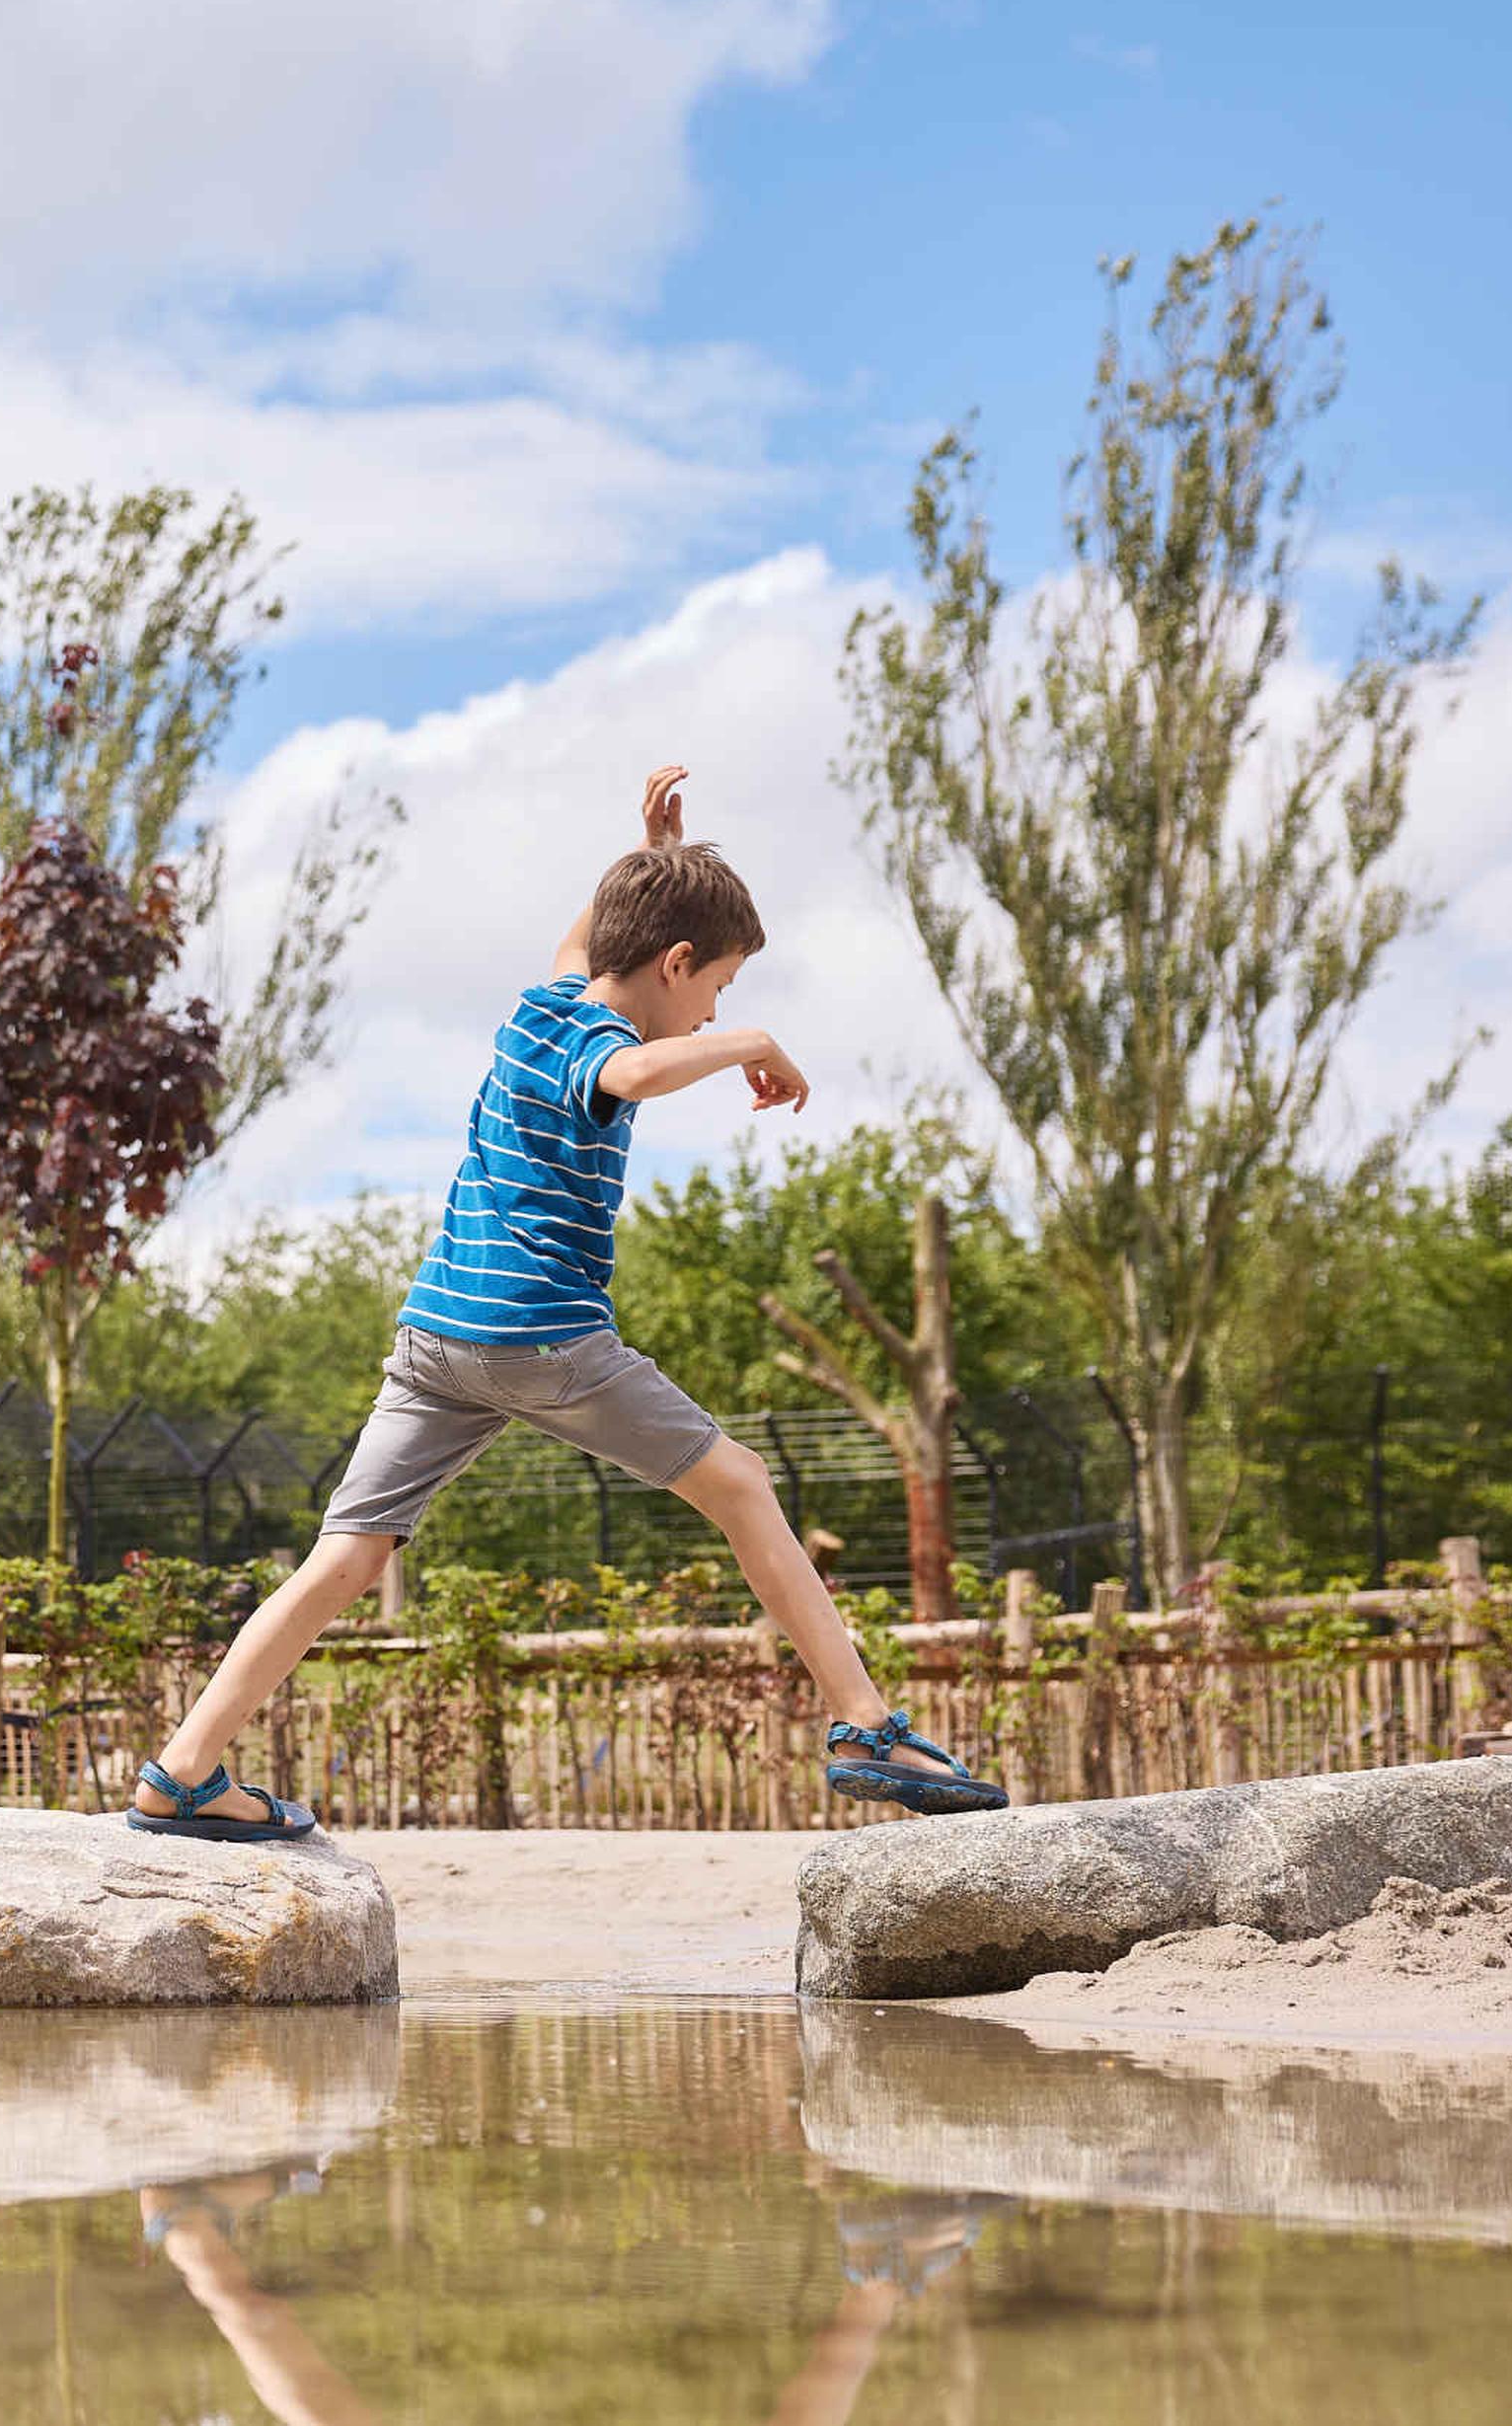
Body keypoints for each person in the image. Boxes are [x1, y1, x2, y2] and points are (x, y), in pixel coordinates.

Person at [129, 766, 1002, 1839]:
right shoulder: (604, 1046)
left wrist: (647, 855)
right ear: (676, 966)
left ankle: (182, 1772)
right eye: (716, 988)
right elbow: (631, 1076)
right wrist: (752, 1046)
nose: (717, 1010)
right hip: (542, 1336)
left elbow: (584, 949)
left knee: (346, 1557)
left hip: (436, 1338)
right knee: (740, 1482)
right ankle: (865, 1724)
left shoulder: (541, 1008)